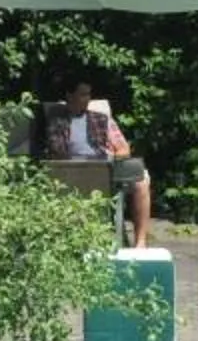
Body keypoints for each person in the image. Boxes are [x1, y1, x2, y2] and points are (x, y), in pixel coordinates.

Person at [53, 78, 153, 248]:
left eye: (89, 94)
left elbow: (124, 148)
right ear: (70, 96)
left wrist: (112, 158)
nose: (87, 99)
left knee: (141, 181)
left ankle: (141, 243)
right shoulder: (57, 122)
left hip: (105, 167)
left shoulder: (101, 119)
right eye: (83, 94)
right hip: (73, 171)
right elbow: (55, 152)